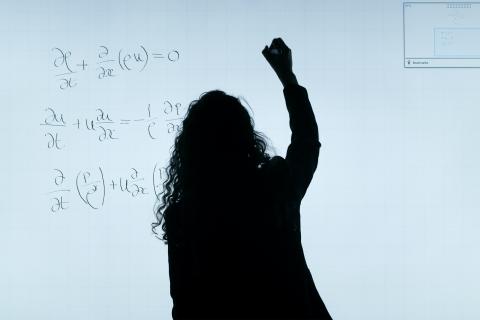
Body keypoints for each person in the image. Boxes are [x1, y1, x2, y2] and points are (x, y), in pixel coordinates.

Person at [152, 38, 332, 319]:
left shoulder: (184, 216)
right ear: (246, 139)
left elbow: (185, 305)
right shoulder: (275, 187)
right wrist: (288, 78)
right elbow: (306, 142)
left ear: (191, 148)